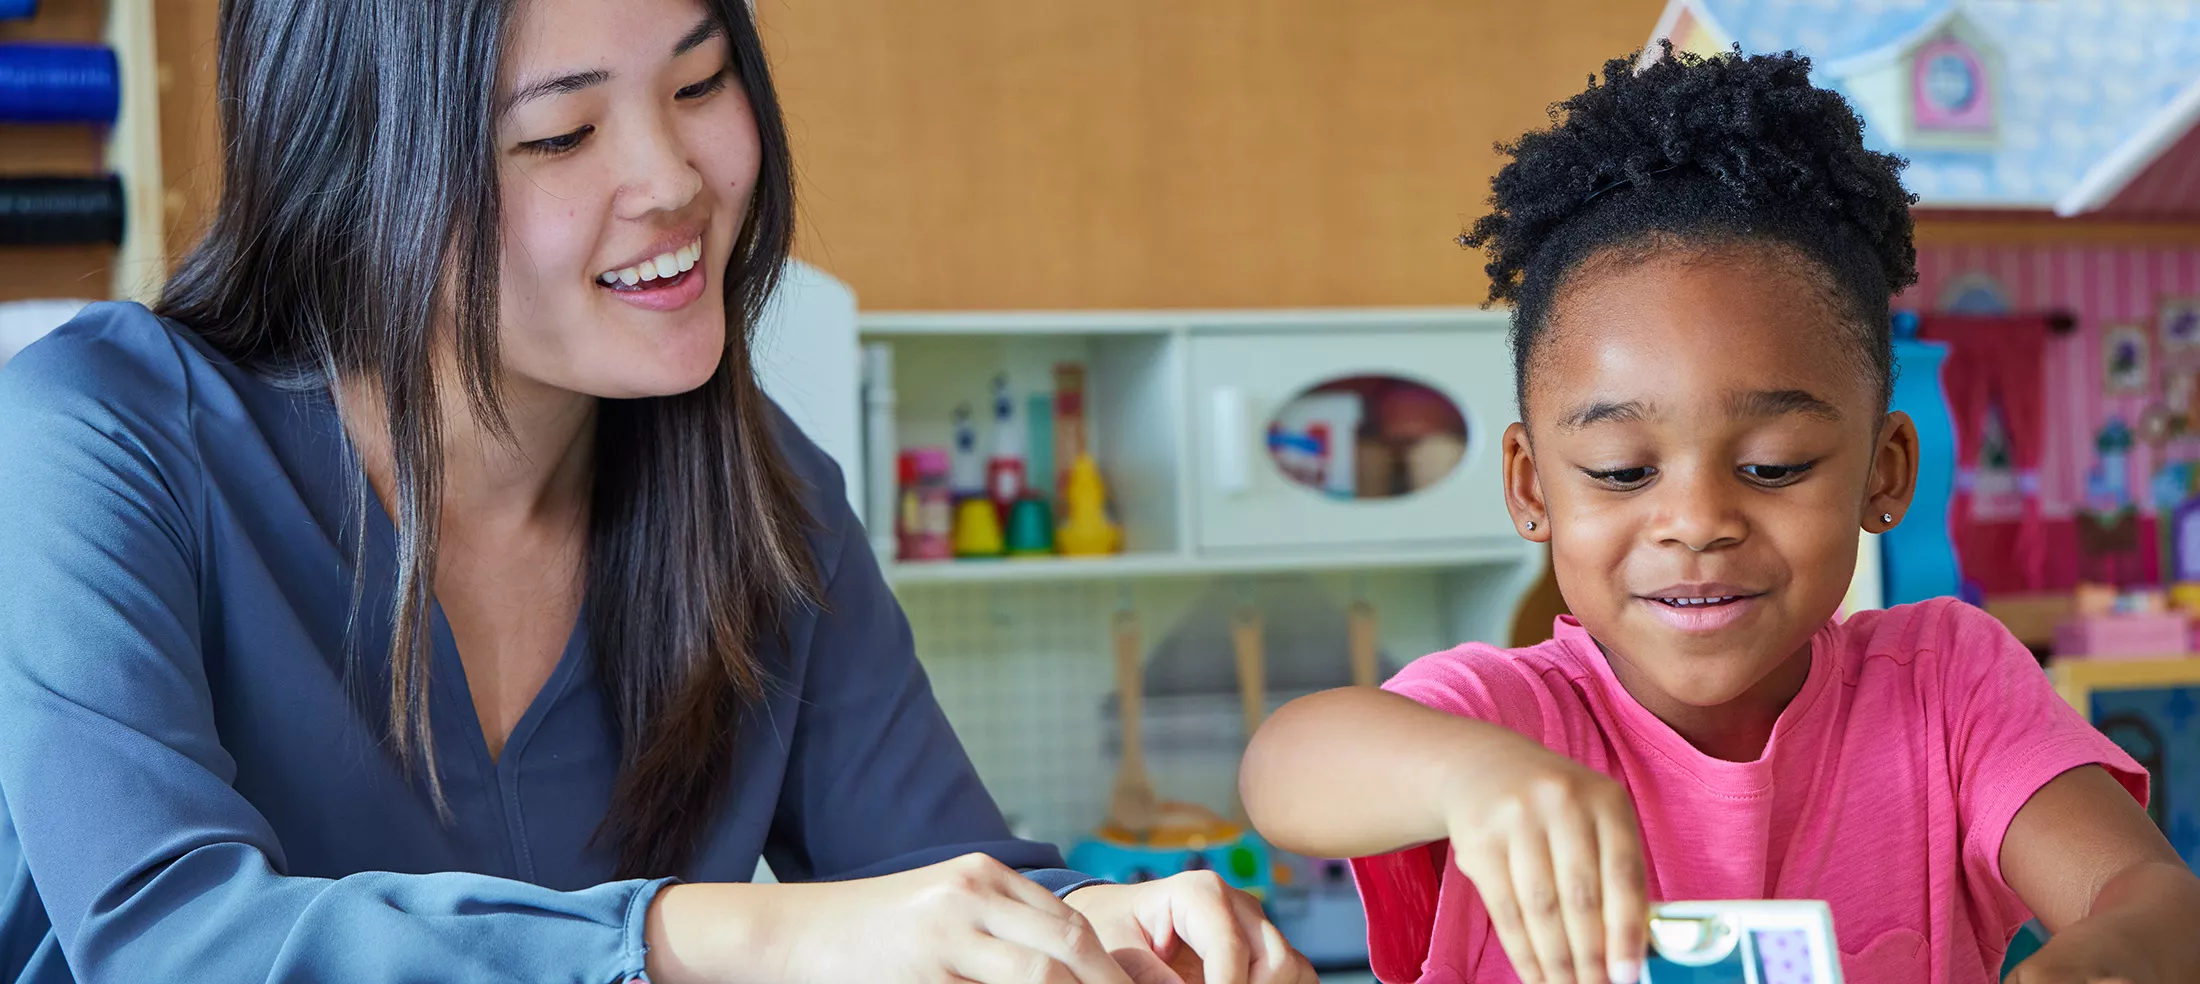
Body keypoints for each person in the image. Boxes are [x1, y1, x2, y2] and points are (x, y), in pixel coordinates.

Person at [0, 2, 1314, 982]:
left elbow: (931, 874)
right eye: (561, 132)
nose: (676, 181)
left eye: (703, 80)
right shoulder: (100, 438)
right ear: (355, 174)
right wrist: (707, 934)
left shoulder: (769, 498)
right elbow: (168, 938)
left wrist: (1102, 925)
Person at [1238, 44, 2200, 984]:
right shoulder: (1507, 719)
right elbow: (1285, 767)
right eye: (1621, 472)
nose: (1696, 521)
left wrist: (2127, 945)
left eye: (1773, 466)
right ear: (1533, 486)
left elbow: (2145, 890)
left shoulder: (1948, 691)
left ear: (1885, 470)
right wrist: (1471, 778)